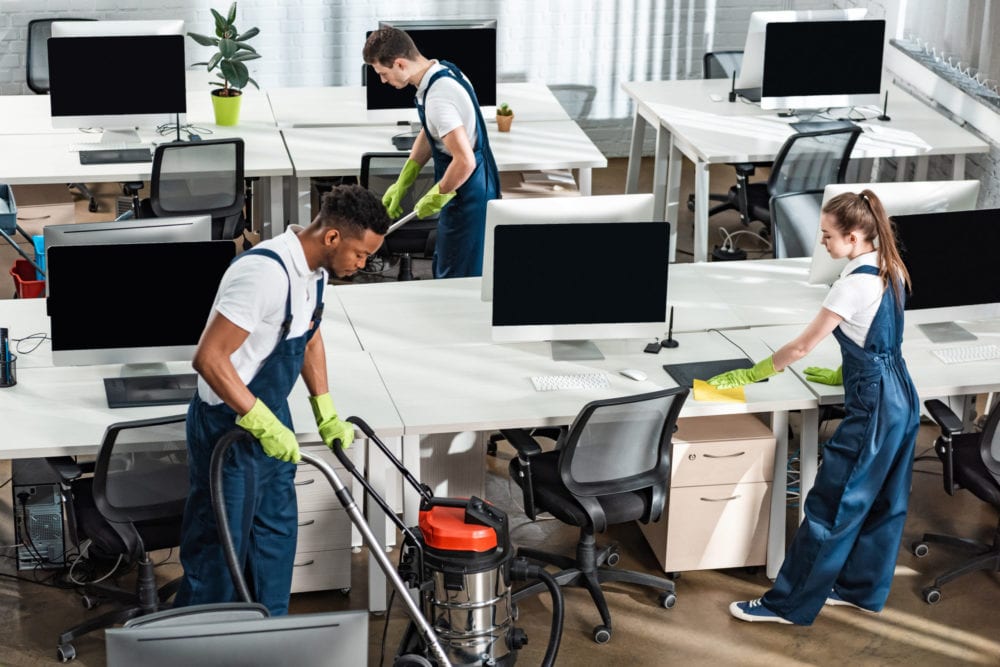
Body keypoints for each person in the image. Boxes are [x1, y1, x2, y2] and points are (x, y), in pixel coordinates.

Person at [173, 184, 390, 615]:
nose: (363, 264)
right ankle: (202, 649)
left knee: (274, 541)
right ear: (332, 238)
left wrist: (324, 411)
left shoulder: (316, 272)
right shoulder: (263, 275)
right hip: (227, 431)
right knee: (221, 552)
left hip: (271, 421)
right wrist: (262, 423)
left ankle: (268, 640)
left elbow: (308, 338)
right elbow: (209, 358)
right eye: (361, 254)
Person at [707, 189, 920, 626]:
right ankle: (860, 591)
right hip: (902, 396)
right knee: (885, 502)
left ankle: (786, 605)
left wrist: (753, 373)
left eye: (827, 236)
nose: (822, 243)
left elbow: (803, 345)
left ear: (855, 235)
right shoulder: (890, 266)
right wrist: (847, 374)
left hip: (876, 407)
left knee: (831, 507)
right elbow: (879, 342)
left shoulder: (853, 284)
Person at [363, 26, 500, 279]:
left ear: (400, 64)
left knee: (457, 276)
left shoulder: (438, 98)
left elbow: (465, 160)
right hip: (467, 189)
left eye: (383, 73)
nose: (382, 80)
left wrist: (438, 193)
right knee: (447, 264)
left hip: (468, 197)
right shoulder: (444, 72)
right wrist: (404, 180)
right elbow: (432, 131)